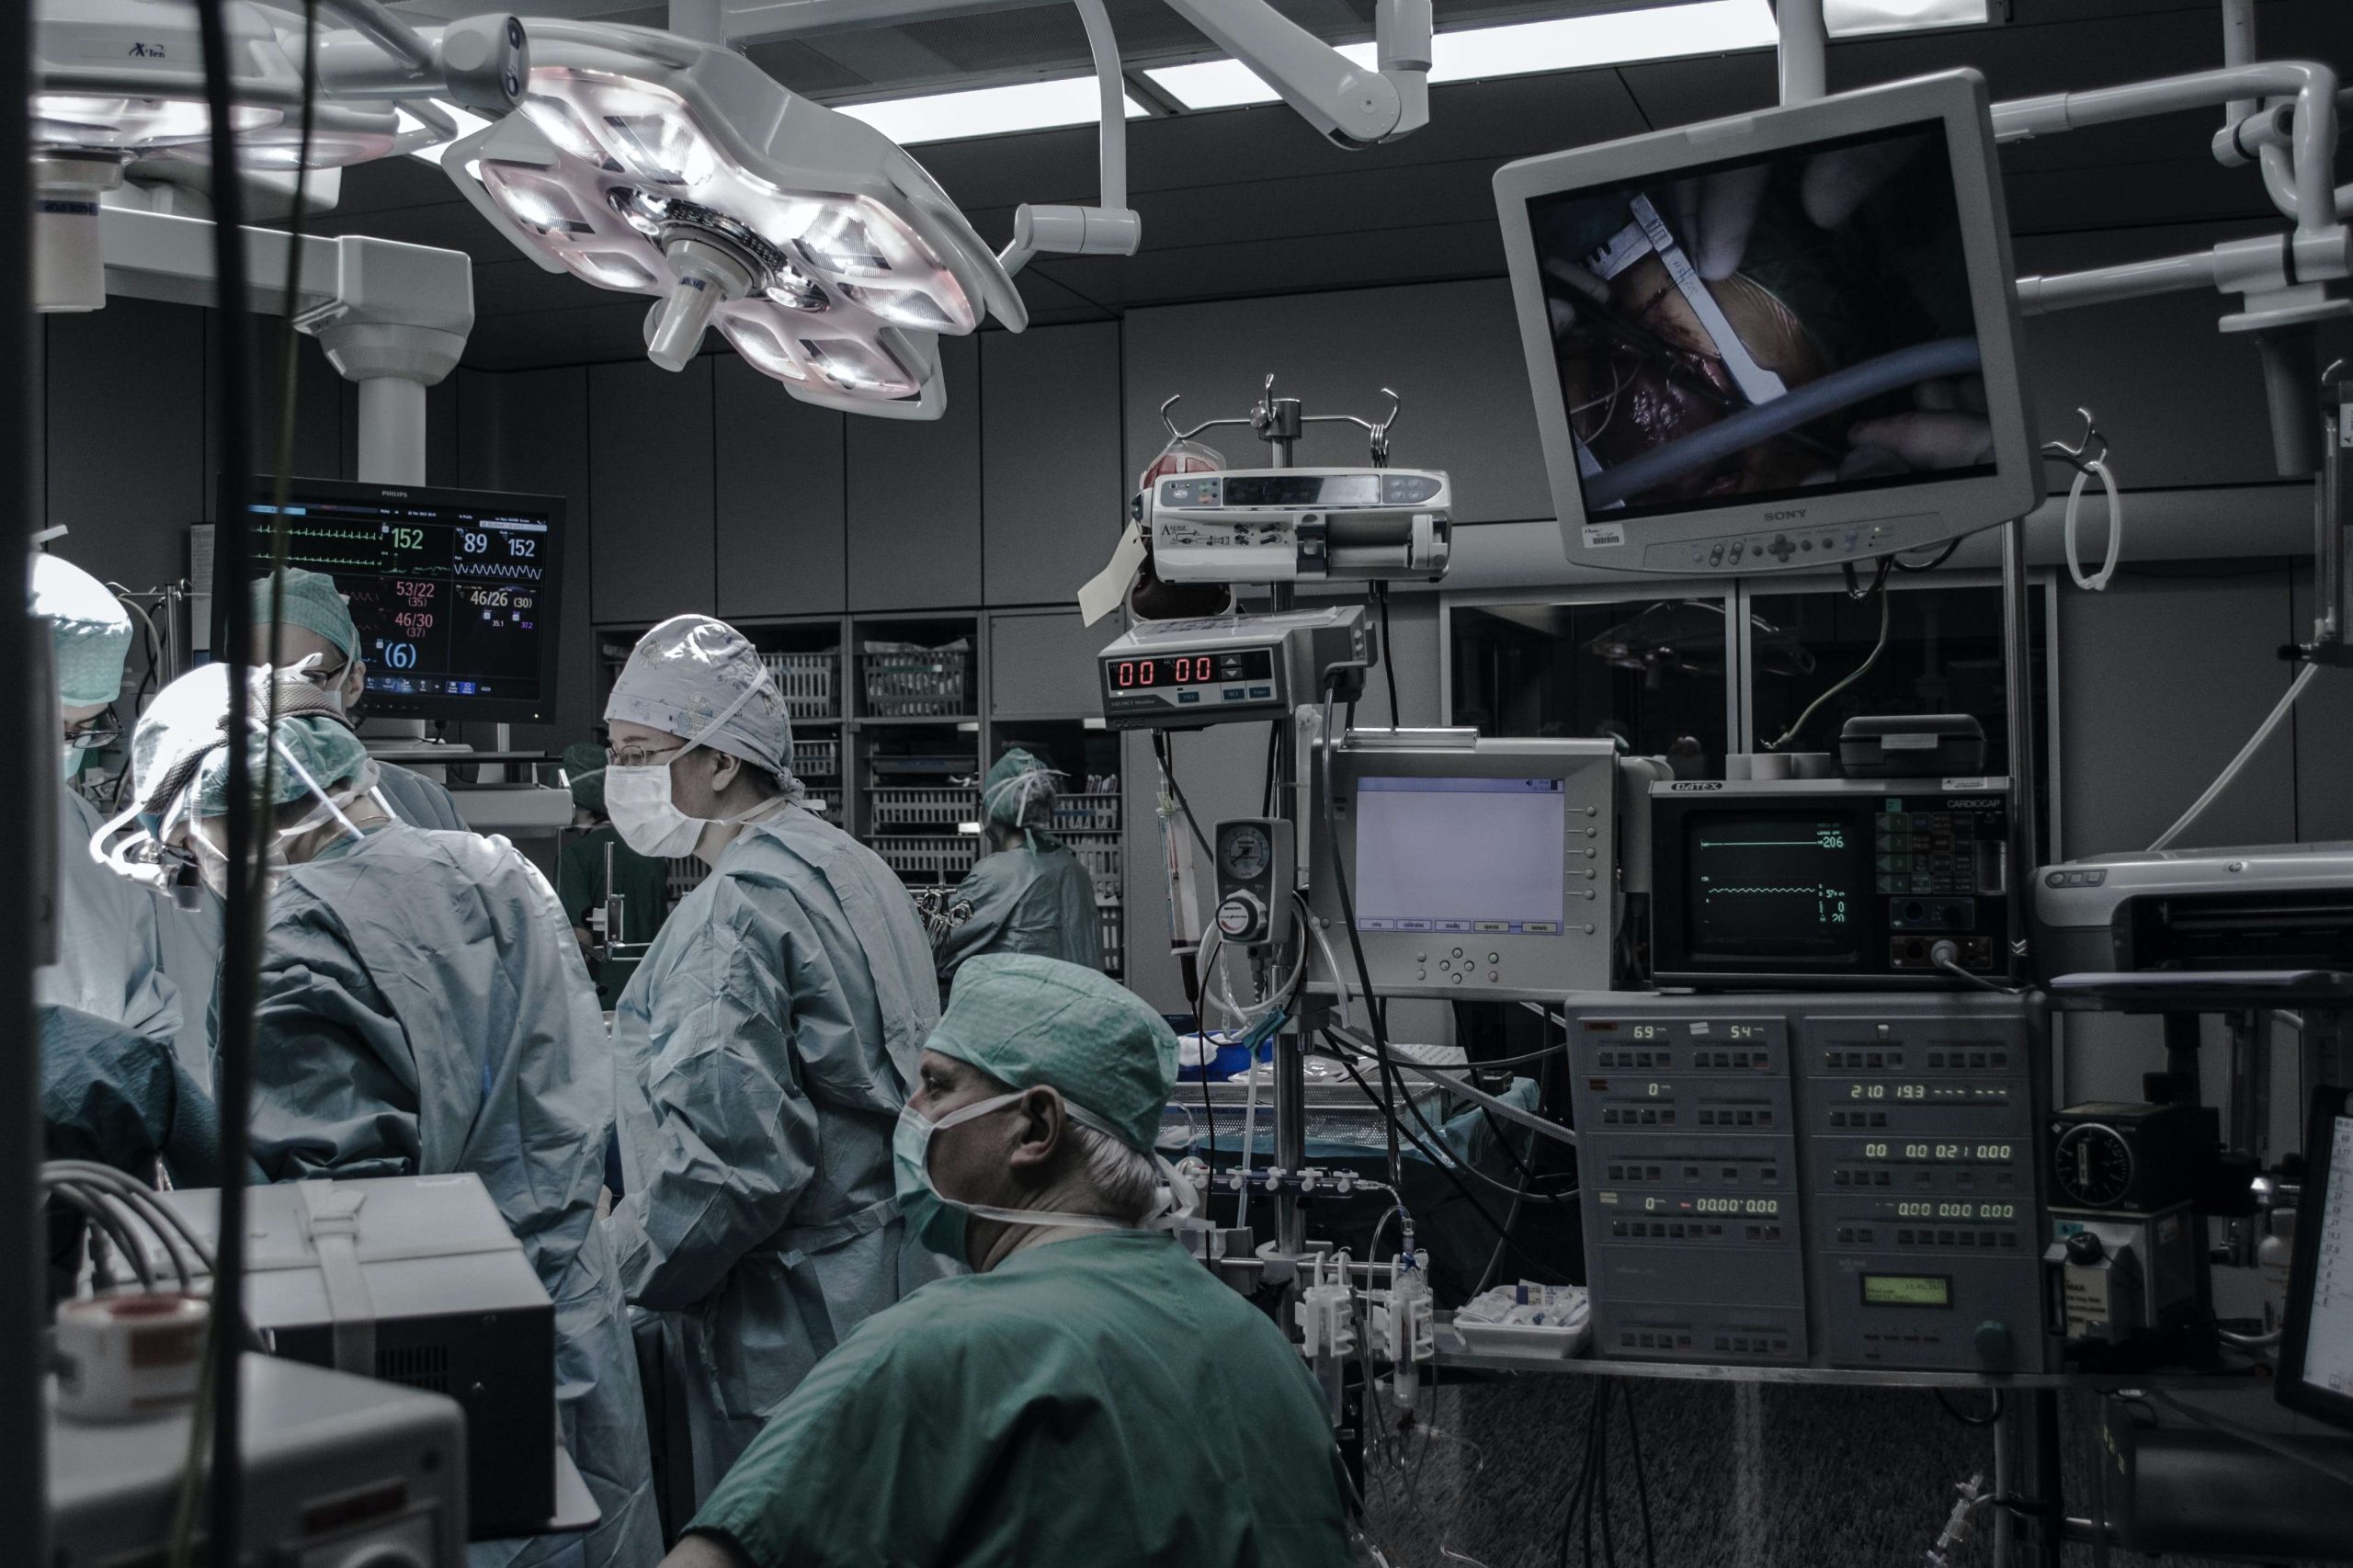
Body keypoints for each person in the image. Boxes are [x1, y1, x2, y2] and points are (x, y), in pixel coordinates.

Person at [126, 665, 660, 1568]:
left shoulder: (296, 939)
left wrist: (188, 1139)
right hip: (571, 1321)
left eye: (190, 846)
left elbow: (333, 1231)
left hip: (440, 1373)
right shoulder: (496, 869)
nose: (202, 875)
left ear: (236, 806)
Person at [661, 955, 1355, 1568]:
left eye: (937, 1086)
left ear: (1036, 1127)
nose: (912, 1112)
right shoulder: (1263, 1355)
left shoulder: (940, 1352)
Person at [600, 614, 940, 1505]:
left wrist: (607, 1277)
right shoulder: (849, 865)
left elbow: (728, 1171)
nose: (620, 777)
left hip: (789, 1319)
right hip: (896, 1278)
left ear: (719, 760)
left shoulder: (737, 910)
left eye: (638, 754)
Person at [31, 551, 182, 1051]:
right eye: (51, 725)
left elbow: (144, 1010)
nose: (64, 751)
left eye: (82, 729)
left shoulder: (75, 825)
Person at [249, 566, 470, 832]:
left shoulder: (422, 804)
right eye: (251, 680)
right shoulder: (213, 813)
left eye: (307, 677)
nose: (277, 698)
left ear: (353, 683)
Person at [931, 747, 1100, 985]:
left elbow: (939, 943)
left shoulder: (998, 874)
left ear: (994, 808)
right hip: (1076, 1001)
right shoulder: (1073, 867)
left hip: (1019, 1002)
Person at [556, 742, 673, 1006]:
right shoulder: (650, 850)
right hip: (652, 996)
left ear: (575, 801)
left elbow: (579, 945)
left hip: (603, 1001)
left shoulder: (575, 857)